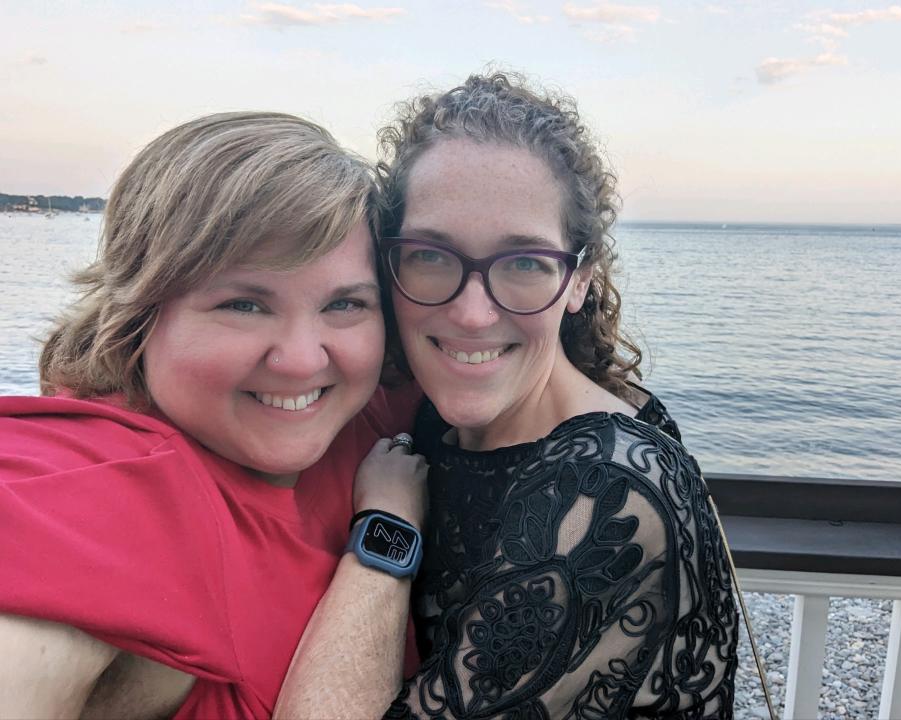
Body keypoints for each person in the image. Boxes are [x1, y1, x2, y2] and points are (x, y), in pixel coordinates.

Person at [279, 72, 738, 718]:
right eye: (432, 256)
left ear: (577, 280)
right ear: (390, 267)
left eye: (523, 263)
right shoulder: (440, 421)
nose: (471, 313)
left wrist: (388, 527)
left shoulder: (605, 491)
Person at [0, 112, 427, 719]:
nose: (303, 360)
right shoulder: (103, 488)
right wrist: (389, 527)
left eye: (345, 303)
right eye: (244, 303)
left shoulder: (363, 415)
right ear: (142, 314)